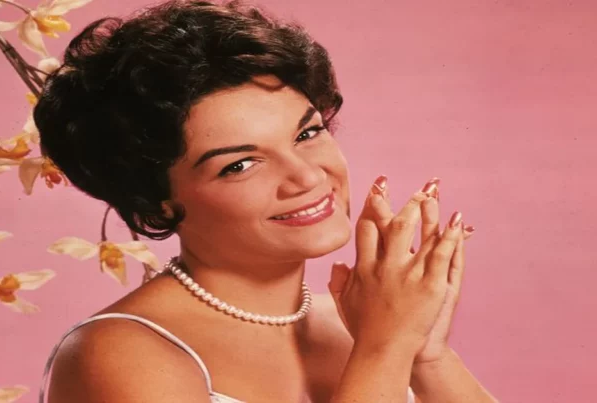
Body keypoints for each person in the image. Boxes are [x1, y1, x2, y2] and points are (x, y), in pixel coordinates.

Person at [33, 0, 499, 401]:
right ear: (156, 202)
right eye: (240, 164)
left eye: (307, 133)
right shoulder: (119, 352)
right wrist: (385, 348)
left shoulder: (359, 319)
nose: (306, 176)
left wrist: (428, 355)